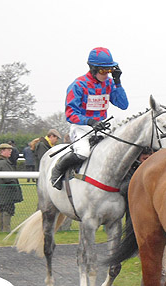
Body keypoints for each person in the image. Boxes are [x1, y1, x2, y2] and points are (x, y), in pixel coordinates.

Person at [51, 47, 129, 190]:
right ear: (93, 68)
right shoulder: (78, 85)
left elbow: (123, 105)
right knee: (83, 152)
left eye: (109, 70)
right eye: (102, 71)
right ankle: (57, 169)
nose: (106, 75)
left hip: (103, 127)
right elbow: (70, 114)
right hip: (81, 127)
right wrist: (90, 121)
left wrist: (117, 82)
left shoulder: (110, 84)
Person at [0, 143, 23, 232]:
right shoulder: (3, 163)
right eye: (8, 150)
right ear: (2, 151)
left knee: (3, 210)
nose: (10, 152)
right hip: (7, 192)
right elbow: (8, 178)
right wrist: (14, 184)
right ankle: (5, 230)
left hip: (5, 192)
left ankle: (2, 229)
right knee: (7, 210)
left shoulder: (3, 161)